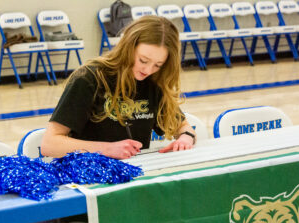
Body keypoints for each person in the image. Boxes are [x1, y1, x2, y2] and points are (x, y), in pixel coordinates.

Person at [41, 15, 196, 160]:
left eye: (158, 65)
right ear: (128, 47)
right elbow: (49, 144)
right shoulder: (89, 78)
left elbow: (183, 127)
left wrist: (185, 138)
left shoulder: (154, 82)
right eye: (143, 60)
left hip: (134, 173)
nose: (148, 70)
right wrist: (107, 149)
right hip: (90, 174)